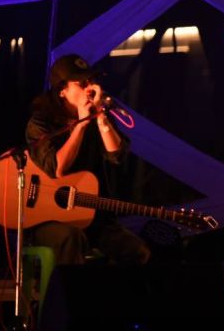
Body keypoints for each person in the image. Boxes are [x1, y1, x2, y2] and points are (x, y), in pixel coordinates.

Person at [25, 54, 150, 266]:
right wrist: (81, 124)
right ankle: (69, 289)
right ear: (62, 90)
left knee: (138, 251)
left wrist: (100, 117)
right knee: (71, 237)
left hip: (92, 216)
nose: (90, 88)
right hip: (48, 219)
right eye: (82, 83)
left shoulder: (95, 116)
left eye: (92, 81)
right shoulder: (41, 123)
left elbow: (117, 155)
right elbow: (56, 168)